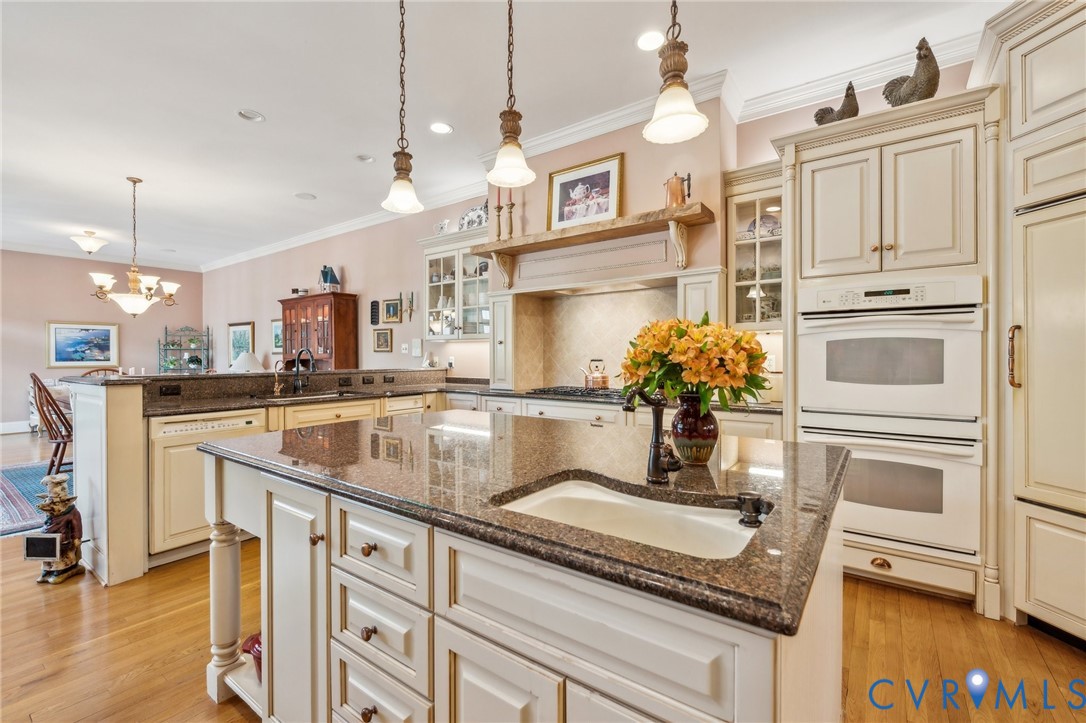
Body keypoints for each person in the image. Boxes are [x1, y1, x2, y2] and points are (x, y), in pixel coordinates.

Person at [35, 474, 84, 584]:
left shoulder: (72, 513)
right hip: (48, 539)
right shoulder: (52, 512)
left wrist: (77, 538)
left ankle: (61, 570)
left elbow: (77, 527)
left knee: (61, 557)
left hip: (62, 540)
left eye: (56, 503)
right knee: (47, 556)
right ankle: (47, 570)